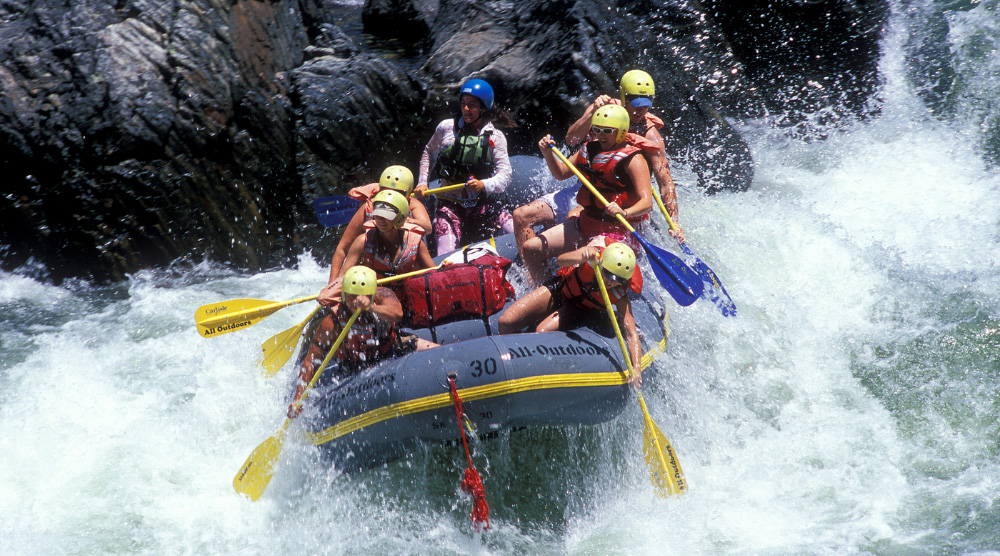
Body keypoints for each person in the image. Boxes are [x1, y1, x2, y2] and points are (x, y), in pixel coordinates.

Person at [513, 70, 684, 261]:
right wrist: (593, 110)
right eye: (635, 104)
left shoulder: (651, 137)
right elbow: (571, 140)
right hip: (585, 187)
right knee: (522, 215)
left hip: (616, 198)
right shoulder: (604, 110)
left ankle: (571, 272)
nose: (639, 111)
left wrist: (674, 222)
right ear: (622, 97)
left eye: (645, 105)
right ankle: (533, 275)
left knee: (574, 214)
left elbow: (665, 182)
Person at [521, 104, 656, 286]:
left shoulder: (634, 159)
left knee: (578, 266)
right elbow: (561, 173)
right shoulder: (588, 149)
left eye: (607, 131)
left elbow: (647, 202)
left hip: (617, 231)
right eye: (597, 129)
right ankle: (545, 290)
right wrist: (547, 153)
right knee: (531, 248)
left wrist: (624, 212)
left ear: (622, 131)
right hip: (587, 222)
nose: (601, 135)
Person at [287, 265, 438, 418]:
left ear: (372, 294)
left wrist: (371, 307)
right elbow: (311, 360)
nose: (354, 302)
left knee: (436, 351)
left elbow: (397, 313)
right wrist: (297, 399)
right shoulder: (333, 320)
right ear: (343, 294)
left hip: (390, 348)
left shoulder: (383, 296)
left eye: (360, 296)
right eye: (350, 296)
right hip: (353, 366)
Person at [499, 241, 643, 379]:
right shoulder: (592, 258)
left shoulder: (620, 295)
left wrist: (636, 369)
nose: (611, 282)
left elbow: (631, 333)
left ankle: (524, 371)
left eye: (617, 279)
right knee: (505, 321)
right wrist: (582, 255)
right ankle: (506, 366)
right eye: (608, 274)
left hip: (580, 309)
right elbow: (560, 260)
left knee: (541, 331)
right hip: (560, 290)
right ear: (602, 264)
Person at [415, 78, 514, 255]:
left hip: (482, 203)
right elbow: (428, 152)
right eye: (463, 104)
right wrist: (423, 182)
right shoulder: (446, 128)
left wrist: (484, 184)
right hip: (449, 204)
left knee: (516, 232)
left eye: (472, 105)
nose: (466, 109)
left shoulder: (496, 137)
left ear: (484, 108)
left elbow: (505, 174)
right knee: (445, 253)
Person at [329, 166, 433, 281]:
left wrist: (407, 221)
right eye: (385, 190)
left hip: (403, 267)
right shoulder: (368, 208)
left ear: (408, 195)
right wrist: (331, 284)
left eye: (398, 192)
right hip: (372, 269)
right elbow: (342, 249)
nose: (391, 195)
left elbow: (428, 228)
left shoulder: (413, 205)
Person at [336, 189, 436, 284]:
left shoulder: (416, 243)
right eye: (377, 215)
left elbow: (434, 275)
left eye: (386, 216)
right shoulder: (362, 241)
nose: (380, 220)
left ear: (400, 218)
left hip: (409, 297)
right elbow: (342, 279)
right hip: (376, 299)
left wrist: (445, 269)